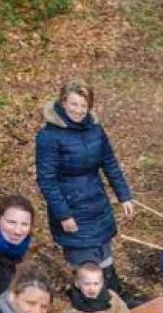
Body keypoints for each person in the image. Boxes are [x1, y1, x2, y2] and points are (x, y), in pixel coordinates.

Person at [35, 80, 137, 301]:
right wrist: (63, 214)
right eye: (74, 104)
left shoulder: (94, 128)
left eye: (84, 105)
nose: (79, 111)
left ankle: (115, 298)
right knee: (84, 260)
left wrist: (124, 195)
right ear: (63, 103)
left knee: (103, 252)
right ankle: (91, 306)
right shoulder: (49, 136)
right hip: (72, 207)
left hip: (96, 202)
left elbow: (109, 162)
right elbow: (47, 179)